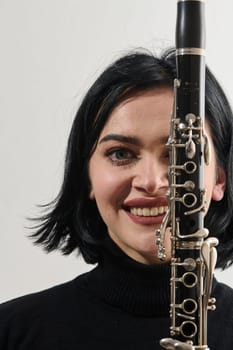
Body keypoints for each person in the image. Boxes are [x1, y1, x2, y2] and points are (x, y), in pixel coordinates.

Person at [0, 48, 233, 350]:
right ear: (87, 177)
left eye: (178, 155)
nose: (150, 182)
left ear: (219, 179)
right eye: (121, 154)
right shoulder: (11, 333)